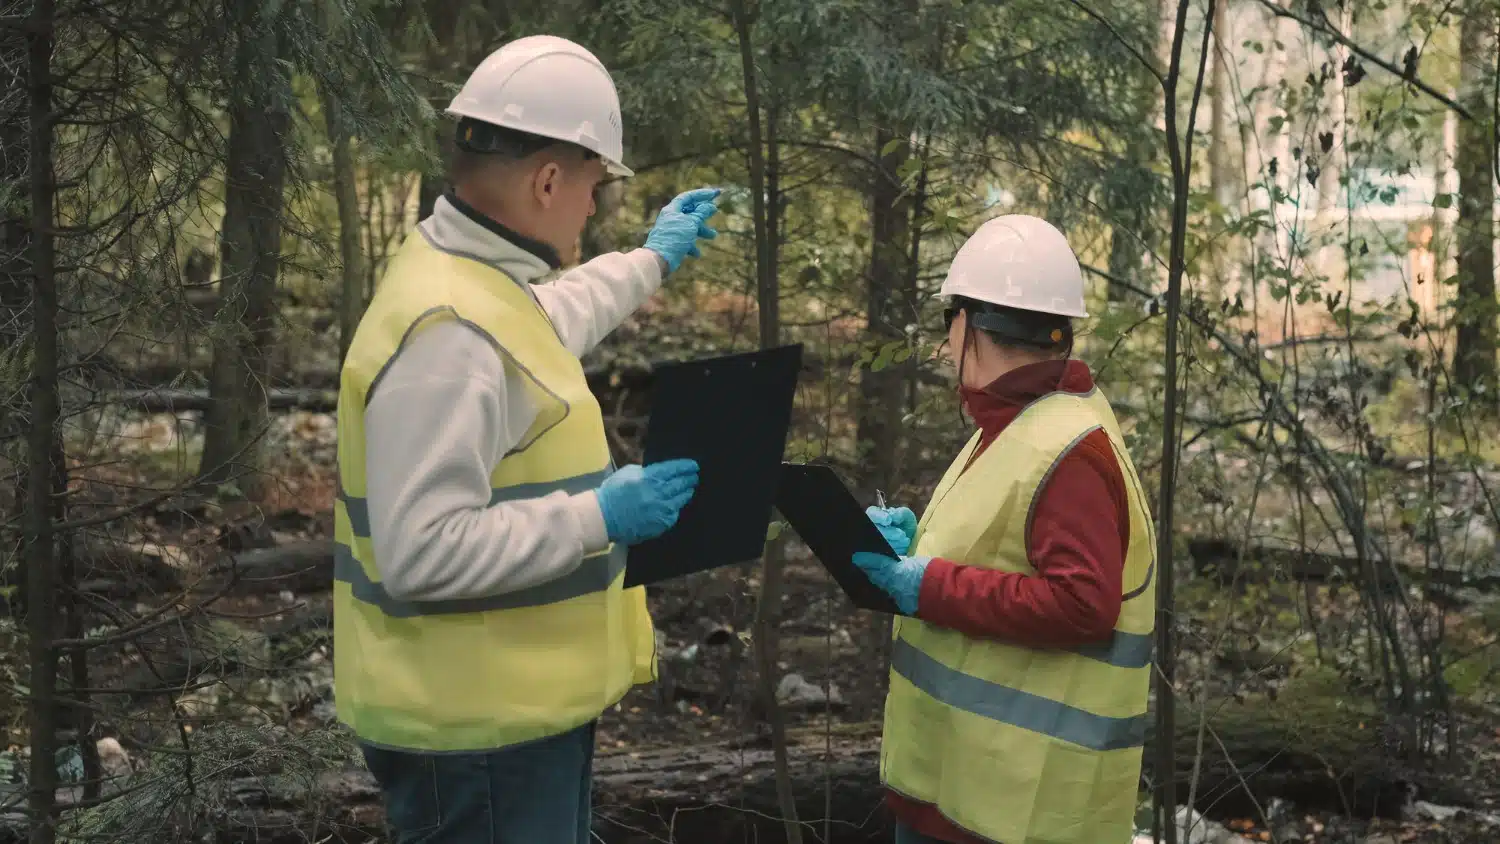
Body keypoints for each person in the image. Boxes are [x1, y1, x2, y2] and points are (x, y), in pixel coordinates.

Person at [333, 35, 720, 843]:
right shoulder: (447, 335)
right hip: (476, 737)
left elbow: (545, 318)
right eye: (592, 186)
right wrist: (597, 517)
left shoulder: (468, 280)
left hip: (505, 718)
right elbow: (420, 552)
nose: (592, 207)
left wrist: (651, 261)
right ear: (548, 181)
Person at [857, 215, 1157, 844]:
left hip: (1013, 812)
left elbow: (1082, 605)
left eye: (950, 323)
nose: (946, 347)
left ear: (968, 324)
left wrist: (926, 585)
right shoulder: (1018, 422)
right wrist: (919, 548)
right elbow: (1002, 547)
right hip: (959, 788)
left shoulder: (1067, 448)